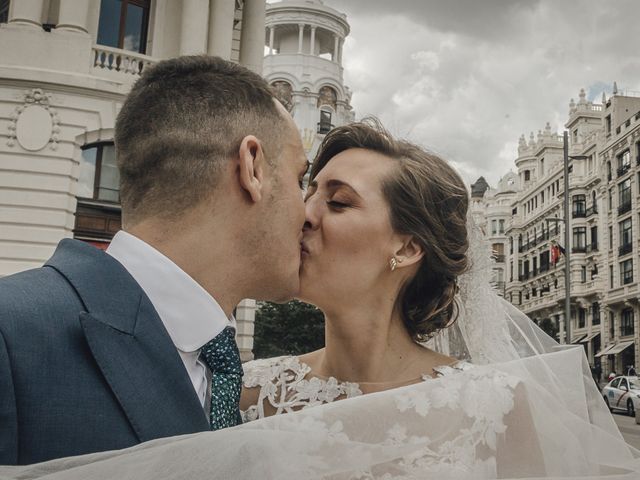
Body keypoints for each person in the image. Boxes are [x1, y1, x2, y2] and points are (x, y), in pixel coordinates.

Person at [2, 122, 639, 479]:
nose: (304, 218)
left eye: (337, 203)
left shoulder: (496, 405)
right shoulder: (243, 391)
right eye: (308, 195)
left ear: (406, 248)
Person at [0, 56, 308, 465]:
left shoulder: (219, 360)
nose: (310, 213)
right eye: (301, 179)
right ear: (252, 167)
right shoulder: (11, 335)